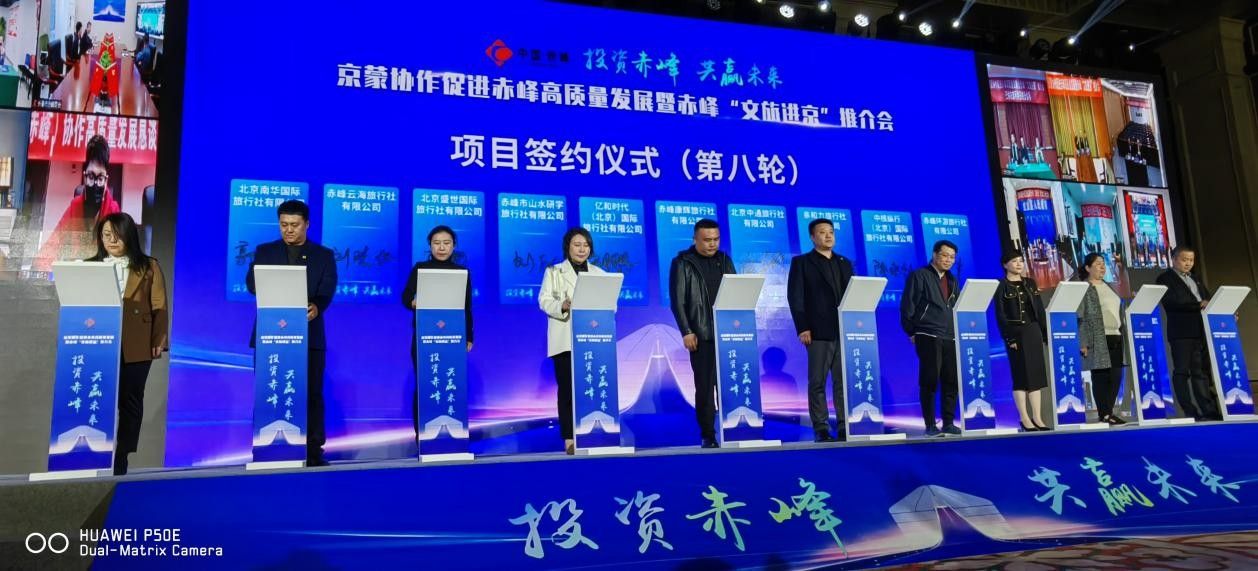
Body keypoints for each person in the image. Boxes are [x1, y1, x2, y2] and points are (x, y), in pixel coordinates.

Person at [246, 199, 338, 466]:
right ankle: (266, 448)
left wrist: (317, 306)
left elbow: (327, 289)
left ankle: (313, 450)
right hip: (271, 334)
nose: (289, 230)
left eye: (294, 225)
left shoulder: (323, 255)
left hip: (309, 335)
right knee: (269, 389)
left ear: (307, 224)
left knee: (311, 393)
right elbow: (252, 284)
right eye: (284, 224)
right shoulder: (265, 251)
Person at [85, 212, 167, 475]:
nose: (111, 240)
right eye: (106, 235)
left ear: (129, 236)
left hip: (137, 342)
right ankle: (93, 450)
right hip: (98, 342)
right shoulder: (89, 266)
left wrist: (159, 340)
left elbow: (159, 306)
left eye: (117, 235)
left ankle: (122, 455)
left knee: (130, 400)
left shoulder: (149, 266)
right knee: (97, 396)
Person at [669, 218, 737, 448]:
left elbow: (737, 293)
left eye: (716, 239)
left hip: (728, 335)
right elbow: (678, 301)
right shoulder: (683, 262)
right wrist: (686, 331)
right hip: (701, 335)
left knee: (729, 384)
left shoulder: (725, 260)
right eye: (707, 240)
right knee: (705, 388)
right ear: (695, 239)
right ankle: (708, 434)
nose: (712, 244)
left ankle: (734, 429)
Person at [401, 225, 473, 438]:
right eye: (437, 243)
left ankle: (453, 437)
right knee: (425, 384)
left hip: (453, 337)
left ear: (454, 246)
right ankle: (423, 437)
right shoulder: (420, 268)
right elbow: (405, 297)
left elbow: (466, 306)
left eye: (446, 243)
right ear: (430, 245)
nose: (441, 247)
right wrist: (414, 302)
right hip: (425, 337)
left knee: (451, 383)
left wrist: (469, 336)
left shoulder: (462, 272)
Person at [787, 218, 854, 442]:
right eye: (823, 232)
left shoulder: (844, 263)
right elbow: (795, 297)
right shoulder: (802, 263)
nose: (828, 236)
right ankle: (821, 427)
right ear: (812, 237)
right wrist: (802, 327)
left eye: (831, 232)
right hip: (816, 330)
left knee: (842, 381)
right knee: (817, 382)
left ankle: (844, 425)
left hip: (843, 330)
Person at [539, 227, 604, 455]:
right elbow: (544, 301)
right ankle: (569, 438)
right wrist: (562, 306)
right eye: (577, 245)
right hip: (565, 340)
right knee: (567, 390)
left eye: (586, 245)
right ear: (568, 247)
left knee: (592, 388)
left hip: (593, 339)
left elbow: (611, 304)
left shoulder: (599, 273)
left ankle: (594, 433)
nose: (582, 249)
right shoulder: (554, 272)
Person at [33, 135, 121, 272]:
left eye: (100, 178)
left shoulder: (113, 211)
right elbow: (48, 250)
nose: (95, 184)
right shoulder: (75, 207)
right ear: (84, 176)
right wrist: (43, 269)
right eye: (91, 176)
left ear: (106, 181)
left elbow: (122, 259)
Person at [900, 240, 961, 437]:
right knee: (930, 380)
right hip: (927, 333)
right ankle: (930, 425)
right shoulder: (920, 275)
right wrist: (911, 331)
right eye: (945, 255)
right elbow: (908, 305)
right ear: (935, 254)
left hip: (950, 335)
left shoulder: (953, 280)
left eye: (952, 257)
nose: (948, 260)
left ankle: (949, 423)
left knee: (951, 380)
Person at [1156, 247, 1222, 421]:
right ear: (1174, 259)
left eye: (1191, 260)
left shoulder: (1196, 279)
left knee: (1201, 372)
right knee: (1182, 372)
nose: (1188, 263)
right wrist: (1198, 305)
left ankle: (1209, 411)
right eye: (1184, 259)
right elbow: (1171, 303)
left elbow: (1209, 300)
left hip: (1200, 330)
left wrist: (1224, 310)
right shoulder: (1165, 278)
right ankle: (1190, 411)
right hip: (1181, 332)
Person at [994, 251, 1049, 432]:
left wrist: (1045, 334)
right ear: (1005, 264)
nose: (1019, 264)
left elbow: (1039, 310)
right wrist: (1009, 337)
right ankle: (1024, 418)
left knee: (1036, 376)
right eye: (1014, 261)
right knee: (1021, 377)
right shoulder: (1001, 285)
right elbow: (1000, 315)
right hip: (1016, 333)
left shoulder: (1030, 283)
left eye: (1021, 261)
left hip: (1033, 331)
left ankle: (1038, 418)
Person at [1076, 253, 1126, 425]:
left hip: (1116, 335)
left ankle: (1108, 412)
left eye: (1103, 263)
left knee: (1116, 376)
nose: (1102, 267)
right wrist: (1083, 342)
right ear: (1088, 268)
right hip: (1097, 337)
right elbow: (1080, 317)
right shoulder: (1084, 288)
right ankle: (1104, 414)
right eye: (1098, 264)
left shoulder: (1109, 286)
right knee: (1101, 377)